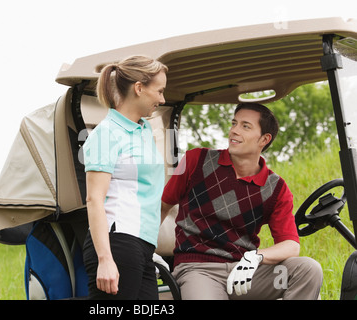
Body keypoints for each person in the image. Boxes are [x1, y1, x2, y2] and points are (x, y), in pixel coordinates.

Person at [161, 102, 323, 300]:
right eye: (234, 123)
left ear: (264, 139)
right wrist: (145, 251)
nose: (234, 131)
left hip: (246, 274)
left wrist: (256, 257)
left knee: (307, 270)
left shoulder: (276, 188)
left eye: (245, 126)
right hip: (199, 270)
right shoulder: (195, 160)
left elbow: (290, 245)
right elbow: (161, 207)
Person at [82, 55, 168, 299]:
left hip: (141, 245)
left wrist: (146, 247)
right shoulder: (106, 134)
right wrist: (105, 259)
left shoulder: (144, 130)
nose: (162, 99)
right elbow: (94, 199)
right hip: (117, 243)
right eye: (159, 91)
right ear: (139, 88)